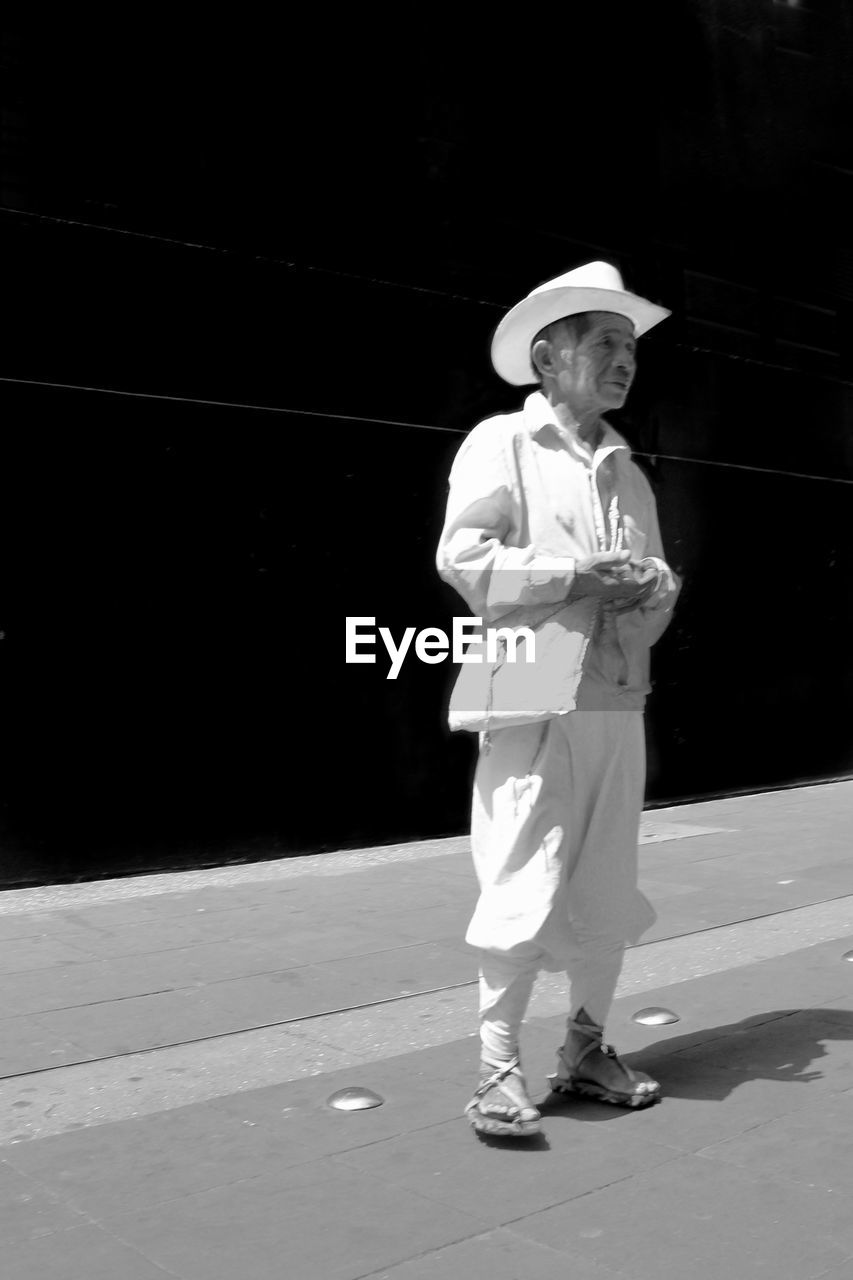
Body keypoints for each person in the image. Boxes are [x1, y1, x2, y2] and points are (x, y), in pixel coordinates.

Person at [436, 261, 680, 1137]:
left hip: (616, 693)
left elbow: (655, 585)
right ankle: (496, 1067)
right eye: (604, 343)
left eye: (629, 347)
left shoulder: (630, 473)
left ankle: (583, 1046)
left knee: (607, 881)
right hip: (526, 686)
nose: (625, 360)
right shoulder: (499, 442)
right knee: (520, 877)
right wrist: (574, 574)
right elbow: (461, 560)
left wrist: (652, 587)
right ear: (549, 357)